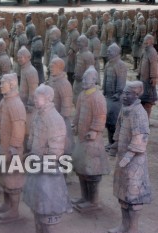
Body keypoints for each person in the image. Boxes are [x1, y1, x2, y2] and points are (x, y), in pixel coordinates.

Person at [23, 84, 71, 233]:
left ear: (48, 98)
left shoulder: (54, 119)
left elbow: (55, 152)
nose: (35, 100)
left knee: (48, 209)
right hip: (37, 167)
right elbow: (32, 138)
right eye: (35, 97)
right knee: (37, 208)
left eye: (38, 97)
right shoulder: (38, 114)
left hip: (48, 173)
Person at [108, 81, 152, 233]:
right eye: (124, 93)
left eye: (128, 94)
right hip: (123, 159)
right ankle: (124, 226)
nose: (124, 96)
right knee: (123, 194)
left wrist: (128, 156)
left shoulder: (139, 113)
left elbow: (140, 138)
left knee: (133, 197)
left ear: (137, 95)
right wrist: (115, 144)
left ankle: (132, 228)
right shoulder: (125, 109)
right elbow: (119, 128)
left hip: (134, 163)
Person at [72, 66, 109, 212]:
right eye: (84, 78)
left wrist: (94, 130)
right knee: (81, 168)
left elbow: (100, 116)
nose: (84, 81)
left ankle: (93, 201)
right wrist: (74, 124)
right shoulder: (82, 95)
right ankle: (84, 197)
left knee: (92, 170)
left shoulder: (98, 97)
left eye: (87, 78)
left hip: (93, 141)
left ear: (94, 80)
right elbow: (78, 112)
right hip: (82, 139)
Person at [0, 73, 26, 222]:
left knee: (13, 180)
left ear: (12, 84)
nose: (1, 85)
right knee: (4, 178)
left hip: (12, 150)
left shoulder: (16, 104)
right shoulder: (5, 102)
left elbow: (19, 128)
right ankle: (6, 204)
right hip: (3, 147)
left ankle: (14, 210)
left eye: (4, 82)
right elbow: (2, 119)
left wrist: (14, 147)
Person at [103, 43, 127, 151]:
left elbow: (121, 82)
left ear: (116, 52)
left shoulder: (120, 65)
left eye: (109, 51)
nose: (107, 53)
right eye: (107, 51)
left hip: (116, 98)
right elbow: (105, 78)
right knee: (108, 122)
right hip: (108, 97)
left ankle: (116, 144)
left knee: (115, 123)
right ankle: (110, 142)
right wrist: (104, 90)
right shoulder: (108, 64)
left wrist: (118, 93)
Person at [137, 34, 158, 119]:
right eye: (144, 42)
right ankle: (143, 119)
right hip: (143, 80)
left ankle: (146, 120)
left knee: (148, 102)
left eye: (146, 42)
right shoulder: (145, 51)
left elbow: (154, 65)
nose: (144, 43)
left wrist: (154, 77)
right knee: (142, 100)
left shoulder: (152, 51)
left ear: (150, 41)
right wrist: (139, 73)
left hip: (148, 81)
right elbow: (141, 63)